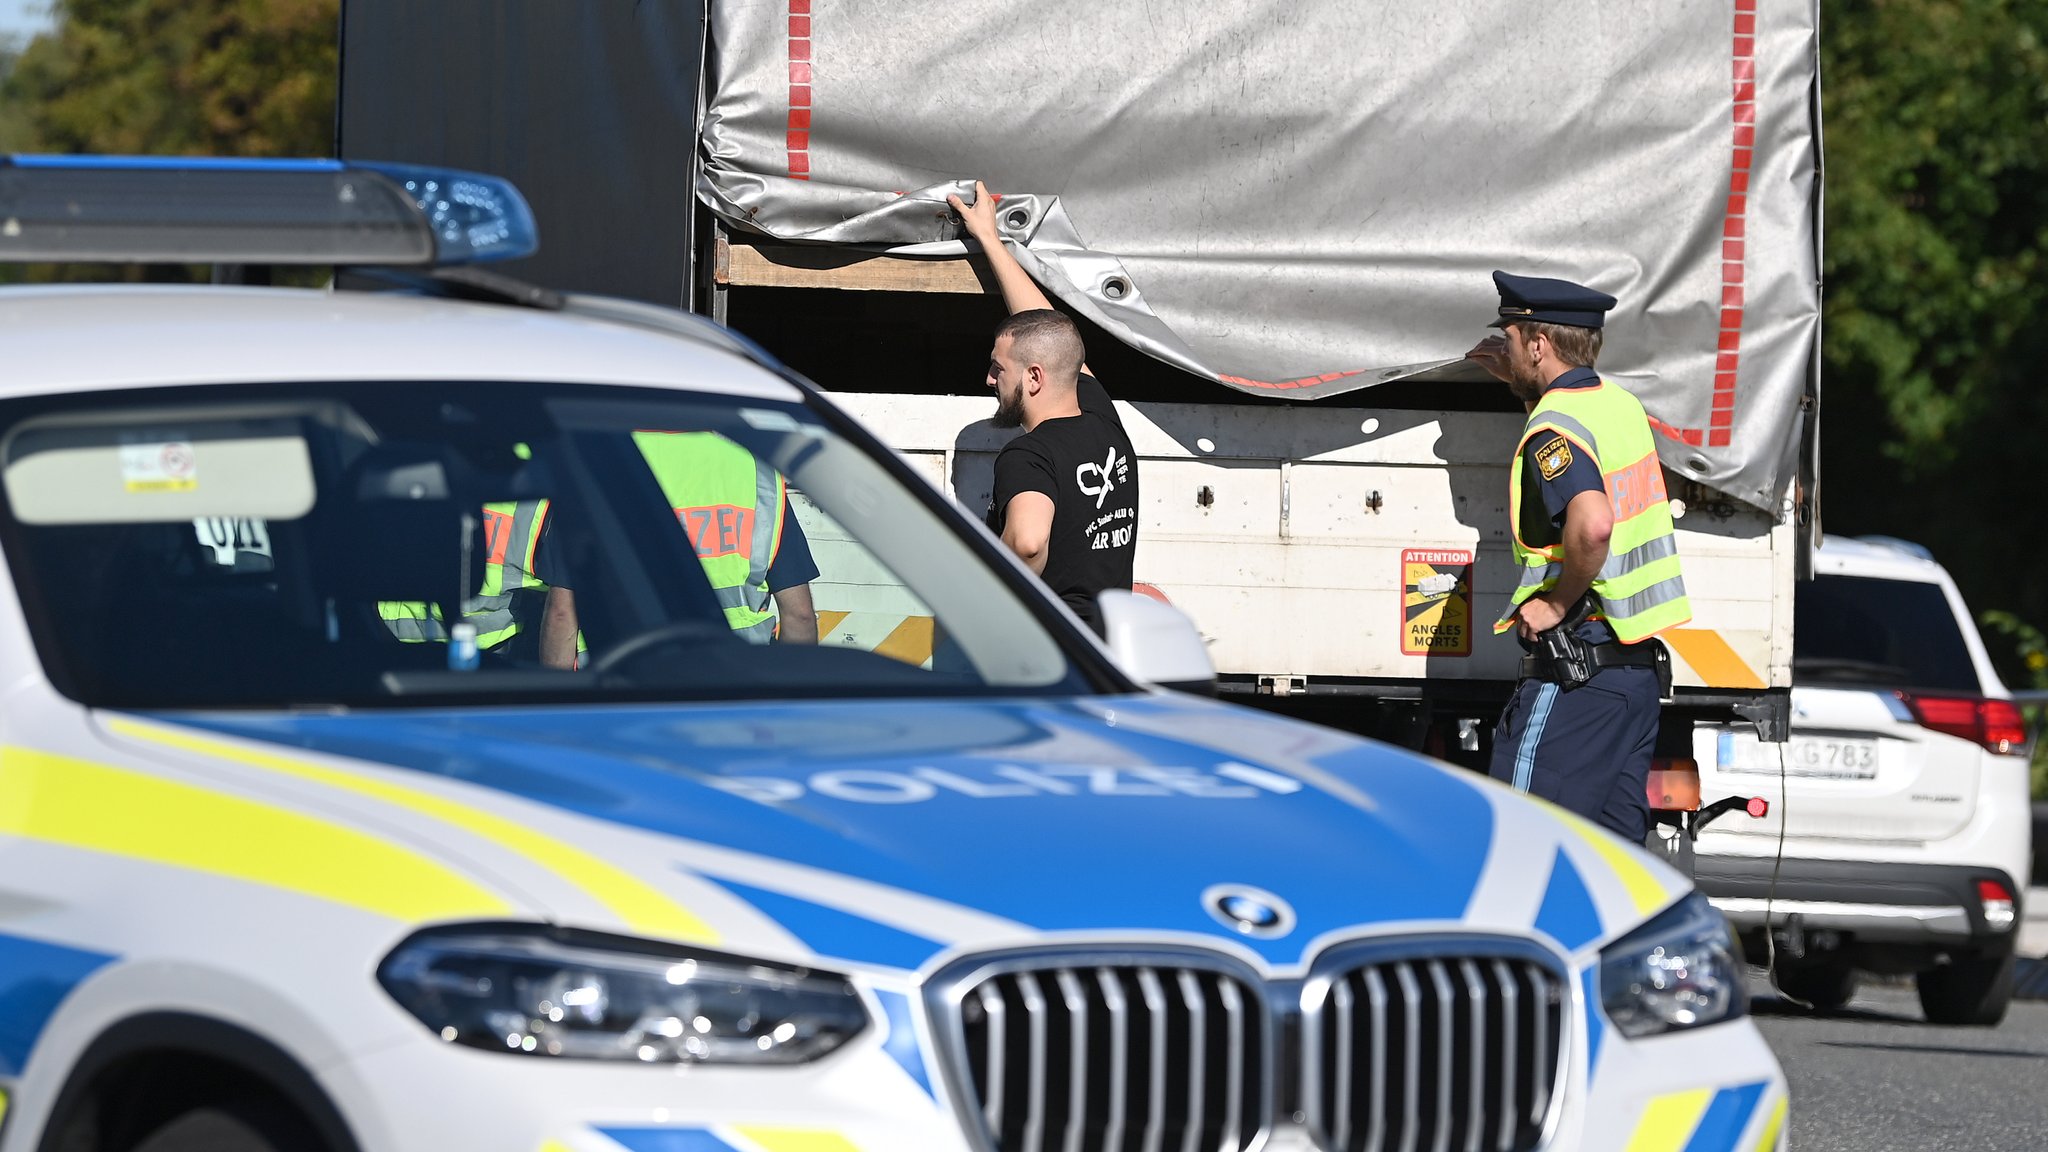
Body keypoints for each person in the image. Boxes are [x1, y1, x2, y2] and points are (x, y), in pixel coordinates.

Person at [1465, 270, 1692, 843]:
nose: (1509, 348)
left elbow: (1592, 524)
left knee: (1516, 843)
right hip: (1632, 681)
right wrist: (1523, 389)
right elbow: (1575, 460)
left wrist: (1555, 604)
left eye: (1513, 339)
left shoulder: (1553, 427)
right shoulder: (1618, 406)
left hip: (1577, 676)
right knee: (1610, 865)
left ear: (1538, 344)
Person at [948, 180, 1139, 631]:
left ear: (1034, 377)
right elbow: (1052, 335)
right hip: (1105, 650)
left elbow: (1030, 543)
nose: (989, 379)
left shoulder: (1028, 456)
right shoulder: (1104, 423)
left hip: (1054, 652)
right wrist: (991, 241)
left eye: (999, 369)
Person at [536, 431, 819, 669]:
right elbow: (799, 615)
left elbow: (563, 612)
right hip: (738, 680)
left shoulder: (599, 466)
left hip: (623, 682)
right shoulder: (756, 473)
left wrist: (554, 708)